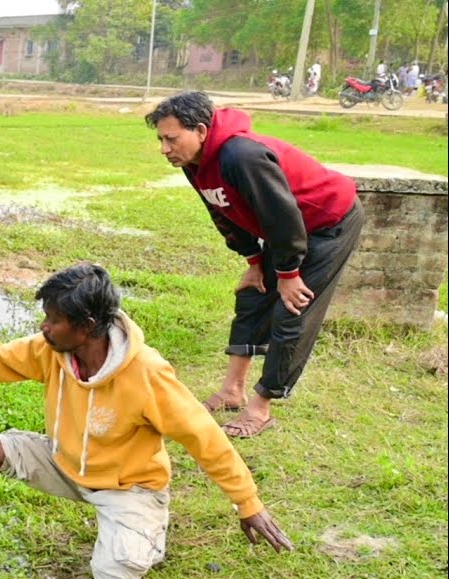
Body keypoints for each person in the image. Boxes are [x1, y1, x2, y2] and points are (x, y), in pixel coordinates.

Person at [0, 264, 294, 579]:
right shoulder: (49, 350)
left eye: (54, 319)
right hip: (64, 461)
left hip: (128, 486)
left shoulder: (148, 375)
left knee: (114, 578)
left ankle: (145, 536)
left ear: (87, 327)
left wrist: (248, 504)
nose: (44, 327)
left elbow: (205, 439)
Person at [145, 91, 365, 438]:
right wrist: (253, 261)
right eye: (160, 139)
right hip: (285, 228)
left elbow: (282, 216)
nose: (164, 148)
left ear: (200, 130)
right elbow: (223, 212)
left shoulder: (241, 155)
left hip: (328, 222)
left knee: (292, 310)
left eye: (171, 139)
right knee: (252, 294)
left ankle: (261, 407)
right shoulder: (194, 164)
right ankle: (233, 390)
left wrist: (288, 274)